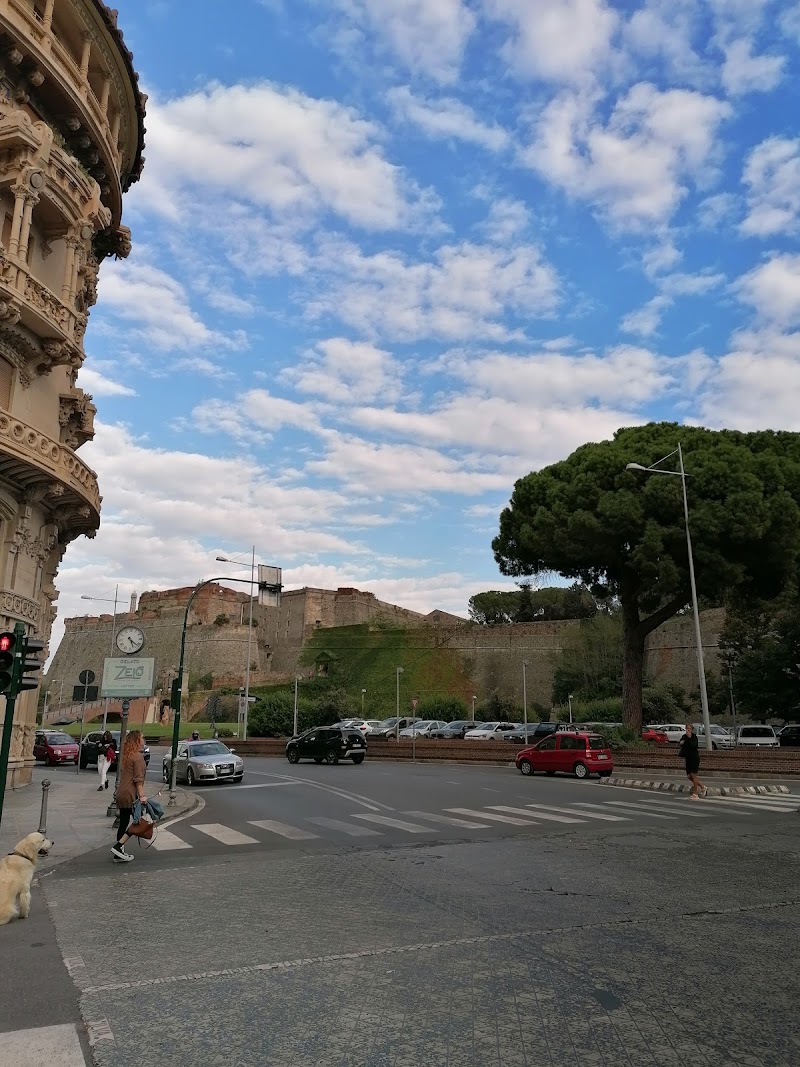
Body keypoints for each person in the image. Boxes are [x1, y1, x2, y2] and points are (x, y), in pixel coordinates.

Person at [111, 730, 147, 863]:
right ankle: (118, 846)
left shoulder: (127, 755)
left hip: (122, 792)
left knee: (124, 822)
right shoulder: (137, 757)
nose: (144, 740)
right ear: (137, 740)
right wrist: (142, 796)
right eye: (142, 738)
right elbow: (138, 779)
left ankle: (119, 852)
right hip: (130, 794)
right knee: (138, 822)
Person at [679, 723, 707, 800]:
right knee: (689, 776)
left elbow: (694, 746)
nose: (688, 730)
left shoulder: (694, 737)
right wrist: (684, 741)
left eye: (689, 728)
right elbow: (681, 743)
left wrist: (689, 738)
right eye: (687, 728)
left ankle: (695, 793)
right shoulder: (684, 736)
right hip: (688, 758)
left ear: (692, 729)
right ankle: (702, 787)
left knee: (693, 775)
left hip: (694, 757)